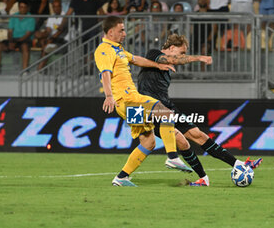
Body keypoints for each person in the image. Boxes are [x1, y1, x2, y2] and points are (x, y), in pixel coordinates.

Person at [137, 34, 263, 186]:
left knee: (197, 135)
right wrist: (200, 58)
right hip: (149, 107)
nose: (182, 56)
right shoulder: (153, 54)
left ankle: (236, 165)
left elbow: (174, 61)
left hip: (166, 105)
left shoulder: (168, 67)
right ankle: (167, 161)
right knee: (174, 141)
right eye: (181, 52)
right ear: (171, 48)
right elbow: (172, 59)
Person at [94, 16, 192, 187]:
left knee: (149, 141)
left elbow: (136, 59)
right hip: (127, 99)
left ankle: (121, 178)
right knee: (166, 113)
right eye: (121, 30)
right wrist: (109, 96)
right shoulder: (104, 50)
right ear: (110, 32)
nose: (124, 33)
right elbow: (105, 73)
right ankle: (172, 157)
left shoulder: (117, 49)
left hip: (128, 101)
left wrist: (157, 65)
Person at [0, 0, 35, 75]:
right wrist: (11, 42)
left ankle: (25, 70)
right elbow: (10, 31)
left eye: (25, 7)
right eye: (21, 7)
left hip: (25, 40)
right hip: (13, 39)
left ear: (27, 8)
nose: (23, 9)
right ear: (19, 8)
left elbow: (28, 34)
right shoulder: (14, 16)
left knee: (25, 47)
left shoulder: (31, 18)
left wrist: (16, 42)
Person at [34, 0, 68, 71]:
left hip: (63, 41)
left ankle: (39, 69)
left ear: (61, 7)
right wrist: (41, 34)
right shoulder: (51, 17)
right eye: (54, 7)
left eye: (58, 6)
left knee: (46, 46)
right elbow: (48, 30)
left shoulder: (65, 17)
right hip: (53, 40)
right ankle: (41, 68)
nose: (56, 8)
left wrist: (49, 40)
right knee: (42, 41)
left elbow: (59, 32)